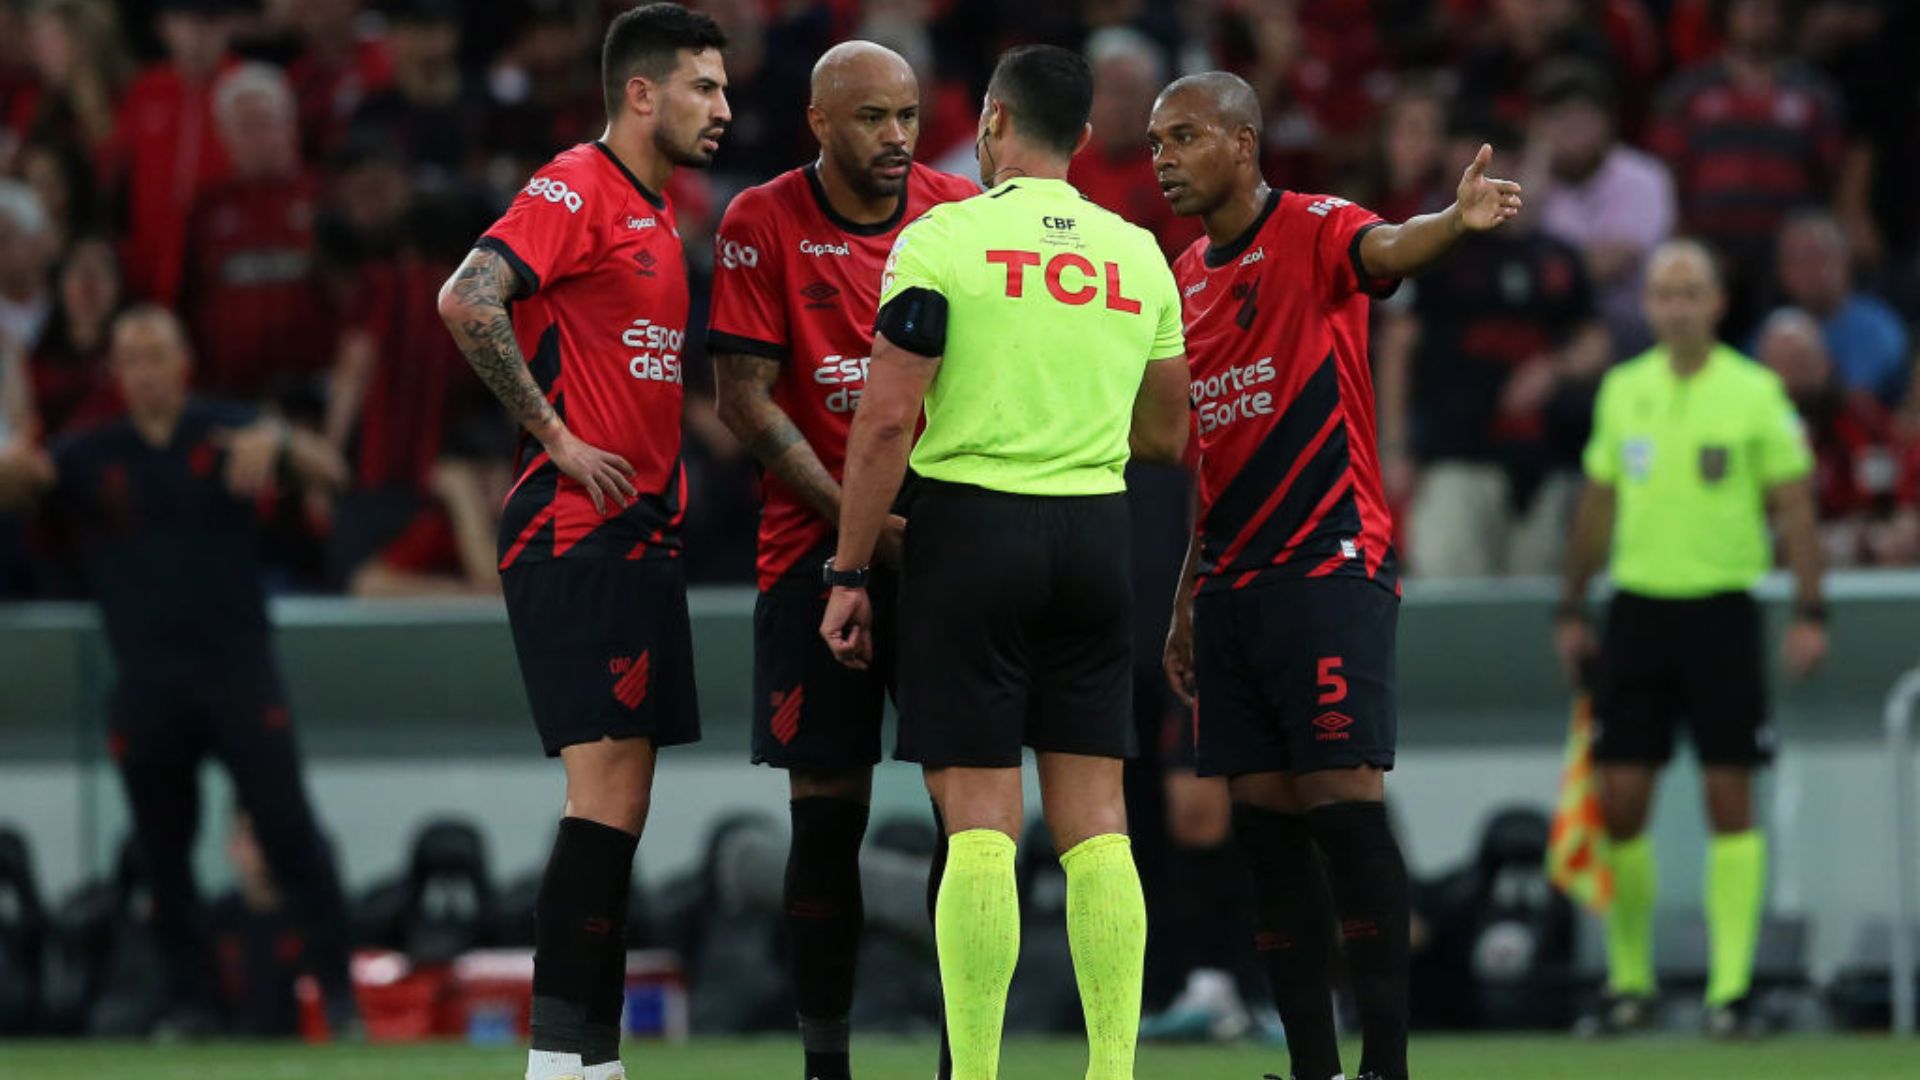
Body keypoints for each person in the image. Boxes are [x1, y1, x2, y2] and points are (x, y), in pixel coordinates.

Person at [820, 44, 1190, 1080]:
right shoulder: (1137, 253)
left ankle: (976, 1073)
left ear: (990, 124)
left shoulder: (942, 238)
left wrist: (849, 573)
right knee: (1099, 825)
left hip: (973, 534)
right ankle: (1111, 1070)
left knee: (981, 823)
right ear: (1081, 135)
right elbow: (1168, 432)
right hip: (1097, 538)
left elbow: (887, 418)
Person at [1149, 71, 1522, 1080]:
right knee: (1266, 837)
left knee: (1346, 813)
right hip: (1231, 585)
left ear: (1245, 141)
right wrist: (1187, 593)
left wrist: (1453, 218)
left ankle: (1387, 1067)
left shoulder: (1315, 227)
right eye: (1153, 144)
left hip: (1326, 562)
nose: (1164, 159)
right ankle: (1314, 1068)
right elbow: (1209, 451)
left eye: (1184, 137)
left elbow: (1389, 247)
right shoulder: (1184, 274)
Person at [433, 7, 729, 1080]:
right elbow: (468, 297)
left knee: (625, 802)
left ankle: (589, 1062)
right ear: (641, 93)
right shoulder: (578, 184)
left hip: (639, 538)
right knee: (604, 800)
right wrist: (555, 436)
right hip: (577, 533)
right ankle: (559, 1065)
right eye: (704, 86)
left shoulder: (657, 213)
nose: (724, 108)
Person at [706, 40, 975, 1080]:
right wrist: (860, 527)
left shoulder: (958, 213)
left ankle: (969, 1061)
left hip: (949, 558)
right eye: (872, 117)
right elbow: (742, 397)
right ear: (820, 123)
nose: (898, 135)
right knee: (826, 819)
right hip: (807, 560)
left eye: (907, 113)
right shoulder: (759, 221)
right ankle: (826, 1066)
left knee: (972, 819)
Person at [0, 306, 358, 1037]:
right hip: (146, 682)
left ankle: (338, 995)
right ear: (117, 373)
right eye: (130, 358)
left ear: (183, 364)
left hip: (237, 670)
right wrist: (12, 463)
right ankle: (191, 1003)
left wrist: (283, 440)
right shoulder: (88, 456)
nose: (145, 371)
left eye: (156, 354)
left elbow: (335, 472)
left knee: (290, 830)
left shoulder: (230, 430)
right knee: (162, 856)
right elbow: (21, 487)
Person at [1554, 239, 1827, 1037]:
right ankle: (1630, 981)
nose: (1675, 304)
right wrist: (1570, 606)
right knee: (1621, 802)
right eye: (1663, 291)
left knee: (1729, 796)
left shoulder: (1755, 393)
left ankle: (1729, 991)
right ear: (1647, 304)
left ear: (1716, 302)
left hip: (1722, 614)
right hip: (1636, 612)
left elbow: (1798, 508)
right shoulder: (1622, 390)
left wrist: (1813, 612)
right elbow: (1597, 505)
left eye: (1690, 290)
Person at [1770, 210, 1911, 407]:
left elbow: (1858, 399)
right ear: (1781, 271)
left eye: (1818, 255)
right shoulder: (1769, 333)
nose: (1809, 268)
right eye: (1796, 258)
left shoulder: (1878, 329)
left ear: (1846, 258)